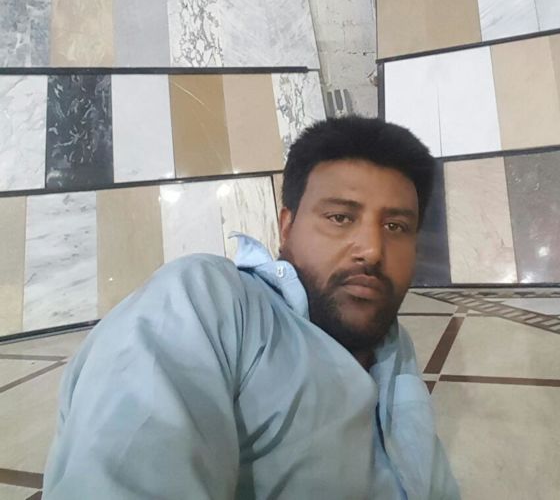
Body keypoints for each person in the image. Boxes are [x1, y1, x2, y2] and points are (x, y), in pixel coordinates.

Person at [43, 115, 459, 499]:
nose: (372, 249)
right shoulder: (207, 301)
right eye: (340, 218)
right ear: (286, 227)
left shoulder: (393, 344)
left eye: (396, 226)